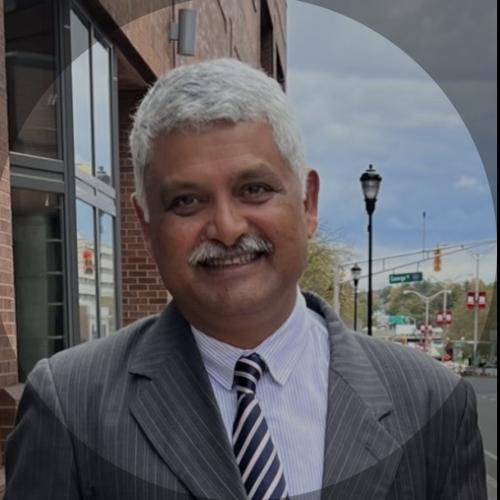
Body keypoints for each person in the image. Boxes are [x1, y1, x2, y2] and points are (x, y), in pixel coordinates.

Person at [5, 59, 486, 500]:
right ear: (147, 226)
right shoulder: (70, 405)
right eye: (186, 201)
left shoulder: (432, 402)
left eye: (254, 190)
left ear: (308, 203)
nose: (227, 227)